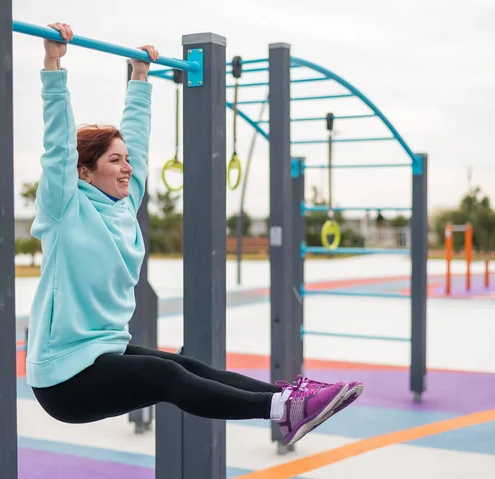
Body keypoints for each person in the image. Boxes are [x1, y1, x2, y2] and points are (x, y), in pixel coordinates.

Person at [26, 22, 363, 447]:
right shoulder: (64, 208)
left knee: (191, 367)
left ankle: (287, 398)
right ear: (83, 171)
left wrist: (140, 79)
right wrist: (54, 64)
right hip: (63, 378)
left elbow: (141, 144)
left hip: (102, 353)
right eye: (115, 160)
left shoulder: (125, 206)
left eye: (126, 159)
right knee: (167, 375)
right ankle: (280, 410)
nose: (128, 167)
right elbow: (57, 146)